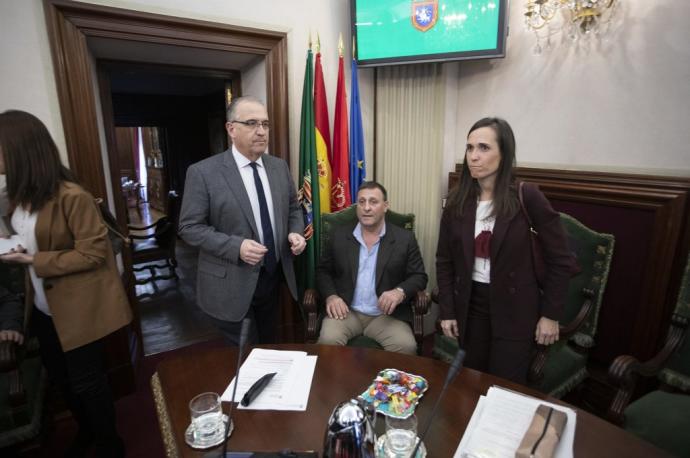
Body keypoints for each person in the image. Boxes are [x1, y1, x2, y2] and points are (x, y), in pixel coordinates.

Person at [0, 109, 131, 457]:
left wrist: (32, 260)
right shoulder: (17, 198)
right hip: (42, 307)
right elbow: (28, 237)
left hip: (78, 308)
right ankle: (87, 431)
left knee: (88, 382)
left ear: (20, 150)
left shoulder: (72, 196)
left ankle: (110, 444)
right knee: (60, 378)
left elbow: (93, 254)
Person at [436, 117, 574, 384]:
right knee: (472, 382)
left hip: (515, 309)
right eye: (469, 148)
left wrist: (550, 314)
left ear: (504, 153)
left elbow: (561, 259)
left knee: (504, 387)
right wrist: (448, 310)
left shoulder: (527, 196)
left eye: (484, 148)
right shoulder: (457, 202)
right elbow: (444, 261)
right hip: (471, 306)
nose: (473, 156)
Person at [178, 96, 306, 346]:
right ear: (231, 129)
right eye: (251, 123)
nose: (261, 131)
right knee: (244, 357)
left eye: (265, 124)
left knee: (270, 346)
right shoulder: (203, 173)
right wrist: (236, 247)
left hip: (272, 277)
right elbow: (189, 228)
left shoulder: (278, 167)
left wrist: (295, 232)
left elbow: (293, 208)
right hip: (230, 282)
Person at [316, 181, 428, 355]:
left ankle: (382, 383)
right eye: (361, 202)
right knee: (328, 341)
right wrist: (331, 296)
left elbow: (419, 276)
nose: (366, 207)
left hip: (385, 316)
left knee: (406, 346)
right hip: (346, 311)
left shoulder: (404, 239)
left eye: (373, 202)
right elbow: (323, 271)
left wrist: (399, 292)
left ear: (385, 206)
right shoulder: (339, 235)